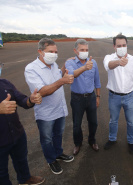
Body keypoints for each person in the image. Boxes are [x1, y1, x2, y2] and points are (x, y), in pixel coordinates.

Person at [24, 38, 74, 175]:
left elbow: (57, 76)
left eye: (56, 51)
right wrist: (62, 81)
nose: (54, 54)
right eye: (50, 51)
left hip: (59, 108)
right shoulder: (31, 69)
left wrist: (63, 68)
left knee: (58, 134)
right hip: (45, 113)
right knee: (46, 138)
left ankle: (58, 153)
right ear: (40, 51)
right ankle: (51, 159)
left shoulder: (53, 64)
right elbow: (41, 91)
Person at [0, 62, 45, 185]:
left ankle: (25, 179)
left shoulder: (5, 83)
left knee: (21, 160)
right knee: (1, 173)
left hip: (17, 133)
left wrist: (31, 100)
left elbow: (22, 100)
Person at [103, 34, 133, 154]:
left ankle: (131, 141)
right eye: (119, 45)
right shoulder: (109, 57)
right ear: (114, 46)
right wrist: (119, 62)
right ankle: (112, 139)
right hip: (114, 96)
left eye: (124, 45)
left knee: (131, 121)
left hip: (129, 96)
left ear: (127, 45)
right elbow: (108, 66)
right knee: (113, 120)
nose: (121, 47)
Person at [65, 39, 101, 156]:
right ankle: (77, 143)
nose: (85, 52)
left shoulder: (93, 62)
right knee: (76, 124)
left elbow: (97, 81)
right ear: (75, 51)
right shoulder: (70, 63)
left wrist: (98, 96)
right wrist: (85, 67)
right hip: (77, 98)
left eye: (86, 50)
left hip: (91, 97)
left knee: (93, 122)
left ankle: (92, 141)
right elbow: (71, 75)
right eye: (82, 50)